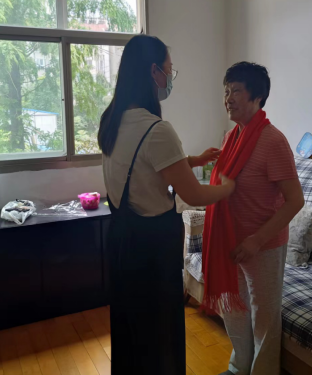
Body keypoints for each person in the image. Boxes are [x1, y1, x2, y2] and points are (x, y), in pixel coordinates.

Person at [98, 34, 235, 375]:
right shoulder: (157, 129)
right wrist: (228, 188)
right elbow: (195, 195)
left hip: (121, 240)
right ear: (153, 72)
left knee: (131, 329)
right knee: (159, 334)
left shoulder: (112, 119)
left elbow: (143, 167)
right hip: (152, 249)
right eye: (169, 70)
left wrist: (192, 160)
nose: (170, 79)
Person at [201, 62, 304, 375]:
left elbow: (295, 201)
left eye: (236, 91)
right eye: (226, 91)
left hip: (263, 244)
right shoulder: (232, 138)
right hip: (231, 241)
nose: (228, 98)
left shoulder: (273, 141)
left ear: (257, 96)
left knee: (264, 317)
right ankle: (239, 367)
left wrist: (256, 240)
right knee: (235, 309)